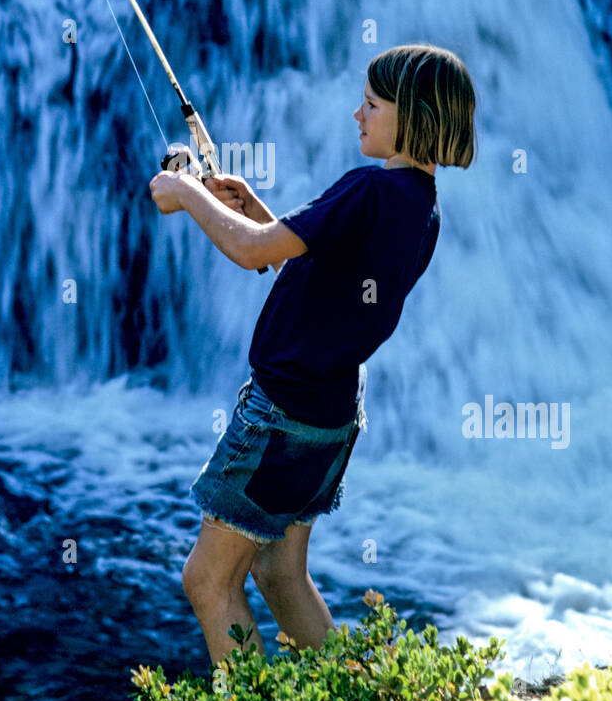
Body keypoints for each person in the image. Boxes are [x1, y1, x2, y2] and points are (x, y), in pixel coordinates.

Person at [149, 43, 477, 664]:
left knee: (208, 580)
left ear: (412, 117)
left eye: (372, 104)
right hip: (330, 416)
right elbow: (305, 261)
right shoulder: (420, 207)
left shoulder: (368, 191)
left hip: (281, 414)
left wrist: (186, 194)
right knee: (279, 573)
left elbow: (253, 255)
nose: (357, 114)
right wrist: (246, 206)